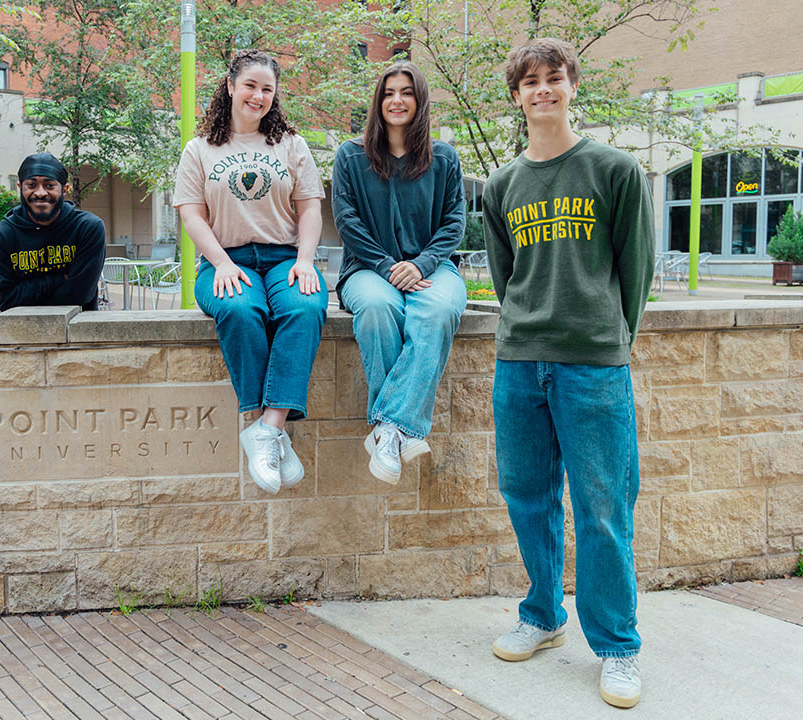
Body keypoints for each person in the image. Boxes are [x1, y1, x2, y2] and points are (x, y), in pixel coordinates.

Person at [481, 39, 654, 708]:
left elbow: (634, 272)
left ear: (572, 86)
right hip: (520, 362)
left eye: (554, 79)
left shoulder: (615, 169)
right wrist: (530, 325)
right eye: (530, 82)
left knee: (605, 507)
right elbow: (506, 276)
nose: (542, 90)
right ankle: (543, 615)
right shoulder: (502, 186)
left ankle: (618, 648)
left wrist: (611, 339)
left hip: (593, 367)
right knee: (527, 496)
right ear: (517, 96)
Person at [173, 49, 327, 495]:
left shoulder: (291, 145)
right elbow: (192, 216)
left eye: (267, 89)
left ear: (274, 96)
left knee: (305, 307)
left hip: (284, 257)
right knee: (241, 310)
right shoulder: (199, 150)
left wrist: (305, 260)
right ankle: (272, 433)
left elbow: (311, 209)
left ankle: (267, 428)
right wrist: (220, 262)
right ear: (230, 86)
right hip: (227, 260)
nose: (257, 96)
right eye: (250, 86)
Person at [332, 61, 468, 484]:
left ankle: (388, 428)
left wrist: (421, 264)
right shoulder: (350, 156)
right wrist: (389, 267)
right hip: (368, 267)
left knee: (439, 309)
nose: (397, 100)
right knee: (376, 307)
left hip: (432, 266)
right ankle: (401, 426)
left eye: (406, 92)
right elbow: (346, 220)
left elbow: (454, 221)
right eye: (389, 92)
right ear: (378, 100)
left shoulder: (443, 158)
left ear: (420, 99)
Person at [0, 152, 106, 311]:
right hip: (21, 331)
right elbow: (5, 300)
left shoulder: (87, 228)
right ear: (20, 188)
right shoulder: (2, 235)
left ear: (65, 189)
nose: (40, 193)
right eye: (31, 185)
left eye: (49, 185)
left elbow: (80, 295)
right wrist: (61, 278)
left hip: (78, 330)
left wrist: (24, 292)